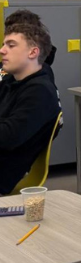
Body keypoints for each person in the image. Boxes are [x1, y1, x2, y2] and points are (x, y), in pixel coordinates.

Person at [0, 23, 60, 194]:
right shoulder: (11, 81)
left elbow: (7, 137)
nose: (2, 50)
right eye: (4, 45)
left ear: (33, 52)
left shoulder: (40, 91)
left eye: (11, 45)